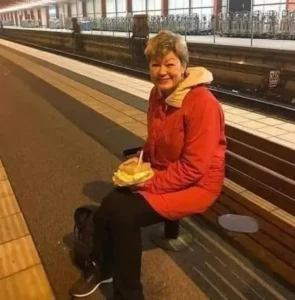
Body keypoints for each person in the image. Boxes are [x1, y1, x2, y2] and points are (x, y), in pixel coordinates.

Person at [70, 30, 226, 299]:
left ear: (184, 66)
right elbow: (157, 139)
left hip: (197, 185)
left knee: (124, 213)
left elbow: (194, 168)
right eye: (155, 64)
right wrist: (141, 158)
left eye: (170, 63)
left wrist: (147, 183)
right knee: (110, 204)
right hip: (166, 173)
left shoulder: (202, 104)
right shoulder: (157, 95)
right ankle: (101, 266)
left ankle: (129, 294)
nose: (162, 71)